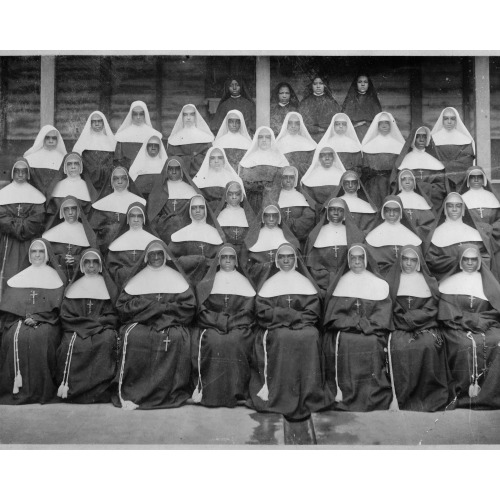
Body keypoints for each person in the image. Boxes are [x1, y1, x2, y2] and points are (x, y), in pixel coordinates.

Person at [250, 243, 335, 420]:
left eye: (289, 257)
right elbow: (262, 313)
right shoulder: (268, 284)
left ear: (296, 260)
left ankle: (309, 394)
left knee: (311, 336)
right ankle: (280, 394)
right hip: (276, 329)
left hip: (300, 327)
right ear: (277, 260)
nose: (286, 260)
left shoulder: (305, 283)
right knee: (282, 337)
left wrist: (287, 318)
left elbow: (312, 312)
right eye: (282, 257)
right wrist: (292, 317)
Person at [113, 240, 196, 410]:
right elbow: (123, 308)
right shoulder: (136, 279)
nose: (156, 257)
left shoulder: (177, 279)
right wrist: (155, 310)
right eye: (152, 254)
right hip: (143, 323)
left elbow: (188, 309)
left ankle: (169, 392)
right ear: (146, 257)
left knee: (176, 338)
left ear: (165, 256)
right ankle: (136, 390)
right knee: (134, 337)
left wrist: (156, 310)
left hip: (171, 323)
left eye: (159, 254)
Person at [323, 244, 393, 411]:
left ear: (366, 260)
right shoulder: (340, 283)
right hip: (345, 332)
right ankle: (345, 393)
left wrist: (365, 325)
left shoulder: (378, 283)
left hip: (371, 331)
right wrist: (356, 323)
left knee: (372, 343)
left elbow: (382, 315)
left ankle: (370, 394)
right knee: (346, 342)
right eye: (353, 258)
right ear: (348, 261)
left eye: (360, 258)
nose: (356, 261)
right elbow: (334, 317)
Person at [0, 239, 66, 405]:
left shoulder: (56, 278)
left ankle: (40, 390)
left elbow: (59, 310)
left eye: (41, 251)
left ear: (47, 254)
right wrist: (23, 318)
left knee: (42, 338)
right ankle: (17, 390)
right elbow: (9, 311)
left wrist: (39, 318)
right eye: (34, 252)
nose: (37, 255)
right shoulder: (18, 278)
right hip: (21, 320)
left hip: (48, 323)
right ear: (29, 255)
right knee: (13, 337)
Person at [385, 245, 450, 411]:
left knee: (429, 344)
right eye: (405, 259)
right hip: (400, 326)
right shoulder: (392, 281)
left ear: (418, 262)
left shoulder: (429, 282)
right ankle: (404, 396)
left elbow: (432, 307)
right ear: (400, 261)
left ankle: (427, 396)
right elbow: (389, 305)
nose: (408, 263)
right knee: (399, 347)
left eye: (413, 260)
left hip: (425, 325)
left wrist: (414, 318)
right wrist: (405, 319)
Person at [192, 245, 256, 407]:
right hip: (212, 325)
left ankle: (237, 392)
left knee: (236, 341)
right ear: (218, 261)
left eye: (231, 257)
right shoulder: (207, 283)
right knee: (213, 341)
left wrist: (229, 324)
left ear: (236, 261)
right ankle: (211, 393)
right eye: (224, 257)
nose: (228, 260)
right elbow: (202, 311)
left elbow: (248, 311)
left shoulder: (245, 283)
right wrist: (220, 323)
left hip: (238, 326)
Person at [438, 244, 500, 409]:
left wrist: (481, 321)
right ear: (460, 261)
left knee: (498, 341)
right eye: (466, 259)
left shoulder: (488, 283)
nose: (470, 263)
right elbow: (447, 313)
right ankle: (464, 394)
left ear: (479, 261)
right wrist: (469, 321)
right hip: (457, 327)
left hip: (485, 325)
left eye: (474, 259)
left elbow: (495, 311)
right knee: (464, 345)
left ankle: (489, 395)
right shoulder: (449, 283)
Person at [55, 248, 119, 404]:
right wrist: (89, 325)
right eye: (87, 262)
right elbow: (66, 316)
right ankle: (74, 390)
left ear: (100, 265)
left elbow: (113, 316)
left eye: (95, 262)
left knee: (107, 340)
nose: (91, 266)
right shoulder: (74, 288)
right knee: (69, 343)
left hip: (102, 329)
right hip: (77, 329)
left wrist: (96, 325)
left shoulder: (109, 288)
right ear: (82, 265)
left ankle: (99, 390)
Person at [0, 159, 46, 296]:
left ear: (28, 174)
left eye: (23, 172)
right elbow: (1, 217)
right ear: (12, 173)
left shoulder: (36, 196)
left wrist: (18, 227)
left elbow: (38, 218)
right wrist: (19, 226)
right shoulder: (3, 194)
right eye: (17, 171)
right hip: (7, 242)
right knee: (9, 272)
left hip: (29, 243)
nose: (20, 175)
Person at [305, 197, 365, 296]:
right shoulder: (316, 235)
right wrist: (329, 278)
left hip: (349, 281)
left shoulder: (355, 235)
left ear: (345, 214)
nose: (336, 213)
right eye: (332, 209)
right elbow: (312, 265)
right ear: (327, 213)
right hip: (323, 283)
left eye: (340, 210)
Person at [426, 192, 490, 282]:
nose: (454, 209)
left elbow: (486, 257)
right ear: (445, 208)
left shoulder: (474, 233)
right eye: (450, 206)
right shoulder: (436, 234)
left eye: (458, 206)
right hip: (447, 279)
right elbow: (432, 261)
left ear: (463, 209)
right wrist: (459, 261)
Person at [168, 194, 225, 287]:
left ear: (206, 210)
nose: (198, 211)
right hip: (185, 276)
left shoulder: (215, 234)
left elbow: (219, 260)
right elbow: (172, 259)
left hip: (209, 278)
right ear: (190, 210)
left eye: (201, 207)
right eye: (194, 208)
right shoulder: (181, 234)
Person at [242, 204, 300, 289]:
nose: (271, 219)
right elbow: (246, 266)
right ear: (262, 217)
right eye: (267, 216)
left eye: (274, 216)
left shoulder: (288, 237)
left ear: (279, 217)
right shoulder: (252, 239)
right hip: (259, 280)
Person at [89, 167, 146, 253]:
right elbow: (93, 231)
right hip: (105, 246)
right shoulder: (101, 204)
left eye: (123, 178)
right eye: (116, 179)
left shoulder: (139, 202)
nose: (120, 182)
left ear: (128, 180)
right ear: (111, 181)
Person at [42, 196, 97, 282]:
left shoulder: (87, 233)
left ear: (78, 211)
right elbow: (47, 258)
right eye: (67, 209)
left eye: (73, 209)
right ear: (62, 212)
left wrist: (76, 259)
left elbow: (93, 257)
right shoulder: (52, 234)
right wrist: (61, 258)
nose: (70, 212)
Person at [147, 156, 200, 245]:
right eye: (170, 169)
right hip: (163, 228)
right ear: (166, 170)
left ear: (182, 170)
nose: (174, 172)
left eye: (177, 169)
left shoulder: (191, 190)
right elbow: (152, 216)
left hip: (185, 227)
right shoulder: (160, 190)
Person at [365, 195, 422, 277]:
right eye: (388, 210)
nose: (391, 214)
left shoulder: (412, 236)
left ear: (401, 212)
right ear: (383, 212)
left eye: (395, 210)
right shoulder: (372, 237)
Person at [393, 126, 446, 212]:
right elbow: (396, 185)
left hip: (431, 200)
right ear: (413, 138)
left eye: (424, 137)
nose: (421, 140)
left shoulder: (435, 162)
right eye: (418, 136)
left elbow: (441, 186)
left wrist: (425, 188)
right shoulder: (404, 161)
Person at [106, 202, 157, 290]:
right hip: (123, 283)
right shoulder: (117, 243)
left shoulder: (153, 241)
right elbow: (111, 267)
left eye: (139, 216)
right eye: (132, 216)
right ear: (128, 218)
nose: (136, 220)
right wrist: (125, 272)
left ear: (144, 218)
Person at [238, 126, 288, 214]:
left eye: (267, 137)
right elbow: (244, 183)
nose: (264, 140)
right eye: (261, 137)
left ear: (272, 139)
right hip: (254, 201)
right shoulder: (249, 159)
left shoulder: (280, 159)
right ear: (256, 139)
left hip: (275, 199)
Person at [361, 111, 405, 208]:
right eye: (381, 123)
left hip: (392, 182)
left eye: (387, 123)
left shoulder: (399, 145)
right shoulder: (369, 145)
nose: (384, 125)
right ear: (377, 125)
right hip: (373, 184)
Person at [431, 106, 475, 191]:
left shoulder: (465, 140)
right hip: (439, 181)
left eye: (452, 118)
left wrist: (444, 167)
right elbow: (431, 160)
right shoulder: (433, 139)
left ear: (457, 120)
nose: (449, 122)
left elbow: (467, 161)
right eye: (446, 118)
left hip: (459, 181)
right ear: (442, 120)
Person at [72, 110, 116, 192]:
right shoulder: (84, 141)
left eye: (99, 121)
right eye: (94, 121)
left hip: (107, 183)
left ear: (104, 123)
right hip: (88, 183)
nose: (97, 124)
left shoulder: (110, 141)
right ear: (90, 123)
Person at [167, 104, 214, 179]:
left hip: (200, 175)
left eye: (191, 114)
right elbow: (171, 159)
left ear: (195, 116)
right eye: (185, 115)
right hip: (181, 176)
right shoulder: (174, 139)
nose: (188, 118)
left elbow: (209, 158)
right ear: (182, 117)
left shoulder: (205, 138)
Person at [192, 146, 245, 212]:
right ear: (208, 160)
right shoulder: (200, 178)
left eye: (220, 158)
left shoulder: (232, 177)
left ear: (224, 160)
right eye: (212, 158)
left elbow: (240, 200)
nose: (216, 161)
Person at [46, 152, 98, 218]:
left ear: (81, 167)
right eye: (69, 164)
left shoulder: (87, 187)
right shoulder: (57, 186)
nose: (73, 167)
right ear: (65, 167)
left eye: (76, 164)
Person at [277, 165, 316, 250]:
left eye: (291, 177)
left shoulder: (301, 197)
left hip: (297, 238)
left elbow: (308, 218)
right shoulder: (275, 197)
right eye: (285, 177)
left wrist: (292, 225)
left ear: (295, 179)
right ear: (280, 179)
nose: (288, 180)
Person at [114, 101, 161, 170]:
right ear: (131, 115)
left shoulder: (153, 134)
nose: (138, 117)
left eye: (141, 114)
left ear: (145, 115)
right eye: (135, 114)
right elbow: (118, 160)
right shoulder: (122, 135)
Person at [214, 181, 256, 255]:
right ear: (226, 196)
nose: (234, 197)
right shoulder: (221, 215)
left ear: (242, 196)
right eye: (230, 194)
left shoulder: (247, 215)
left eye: (237, 194)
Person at [24, 125, 67, 195]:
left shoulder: (63, 159)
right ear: (43, 138)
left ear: (57, 140)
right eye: (48, 138)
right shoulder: (31, 158)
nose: (51, 141)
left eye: (54, 138)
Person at [331, 170, 378, 235]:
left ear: (358, 185)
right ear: (342, 185)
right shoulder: (334, 204)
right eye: (347, 183)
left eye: (354, 183)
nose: (350, 186)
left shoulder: (367, 207)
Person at [459, 166, 500, 239]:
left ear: (483, 179)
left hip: (492, 238)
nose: (476, 180)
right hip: (470, 237)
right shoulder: (461, 199)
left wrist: (489, 229)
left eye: (479, 177)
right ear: (468, 179)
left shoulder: (492, 197)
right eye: (472, 177)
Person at [395, 169, 435, 242]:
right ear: (399, 182)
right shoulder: (395, 200)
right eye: (404, 179)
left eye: (410, 179)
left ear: (414, 181)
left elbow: (429, 223)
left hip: (419, 236)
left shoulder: (421, 200)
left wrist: (418, 230)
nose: (407, 182)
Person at [275, 112, 317, 180]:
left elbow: (312, 167)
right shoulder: (278, 144)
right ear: (286, 124)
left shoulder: (309, 144)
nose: (293, 126)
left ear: (301, 125)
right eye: (290, 123)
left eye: (297, 123)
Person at [299, 75, 341, 143]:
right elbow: (302, 124)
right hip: (310, 137)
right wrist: (316, 129)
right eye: (315, 84)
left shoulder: (331, 102)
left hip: (328, 137)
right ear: (311, 86)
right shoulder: (305, 102)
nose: (318, 86)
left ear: (325, 85)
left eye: (321, 83)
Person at [341, 74, 382, 141]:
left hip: (370, 133)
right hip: (354, 133)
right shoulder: (350, 100)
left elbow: (378, 121)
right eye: (360, 82)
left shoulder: (373, 101)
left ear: (369, 85)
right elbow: (345, 120)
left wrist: (366, 123)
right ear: (356, 84)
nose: (362, 84)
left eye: (365, 82)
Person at [128, 134, 166, 202]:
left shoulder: (164, 163)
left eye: (156, 145)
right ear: (146, 147)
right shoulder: (139, 163)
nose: (153, 147)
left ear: (159, 148)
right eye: (150, 145)